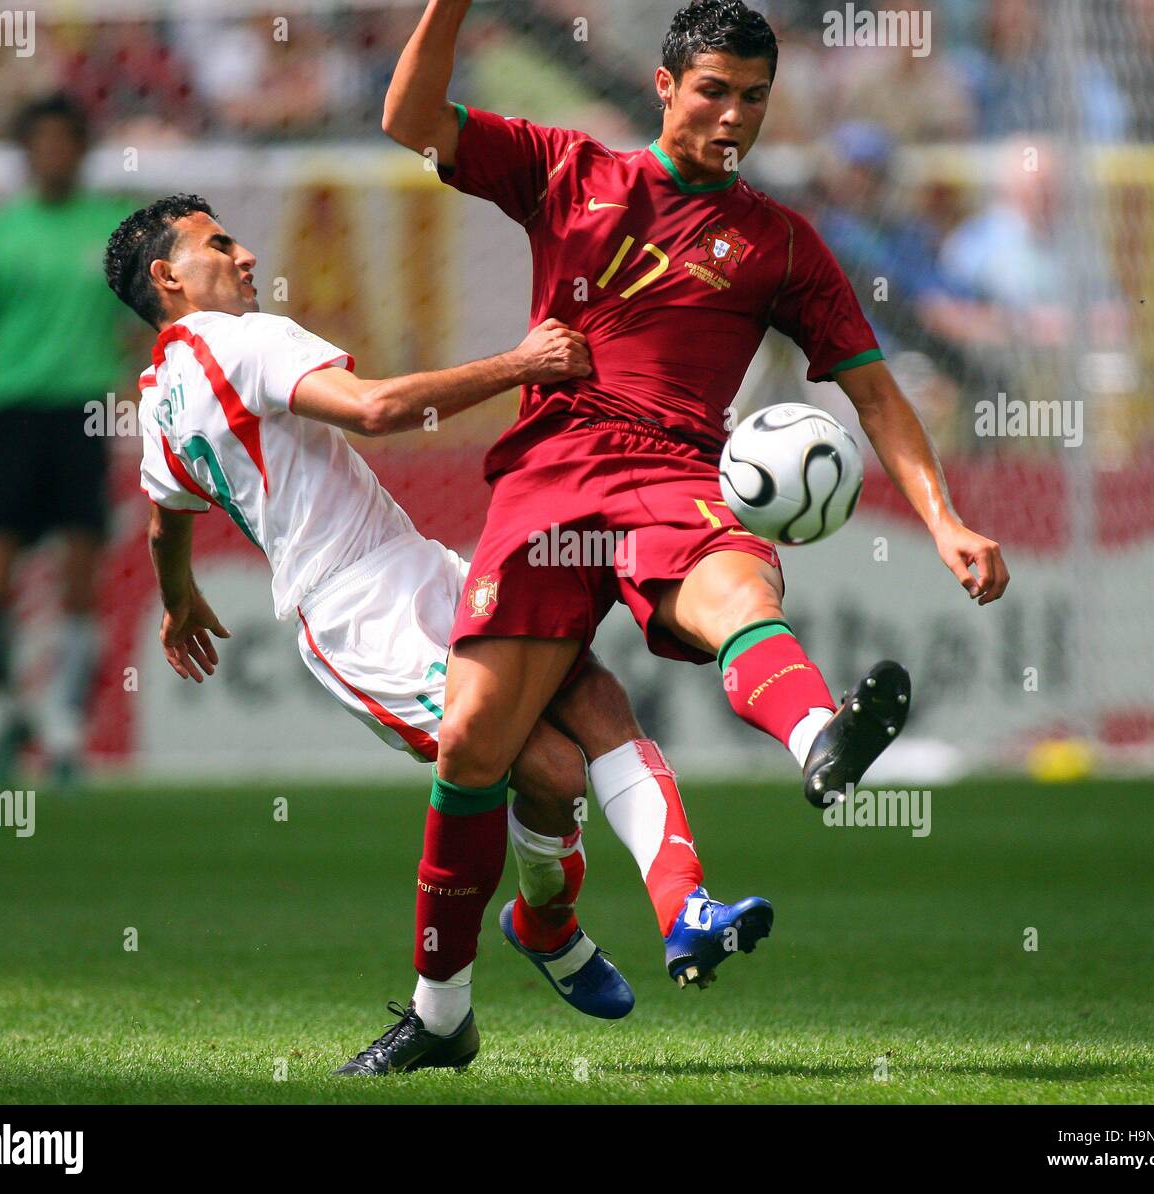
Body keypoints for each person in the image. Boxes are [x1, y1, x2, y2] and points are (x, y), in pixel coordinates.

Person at [380, 0, 1011, 1016]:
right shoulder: (568, 171)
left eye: (754, 98)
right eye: (714, 91)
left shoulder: (780, 243)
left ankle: (818, 739)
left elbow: (875, 391)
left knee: (734, 586)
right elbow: (411, 117)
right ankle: (438, 1015)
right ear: (666, 85)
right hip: (548, 475)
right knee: (472, 749)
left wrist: (943, 520)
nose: (734, 116)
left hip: (674, 474)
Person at [103, 193, 768, 1076]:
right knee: (550, 770)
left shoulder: (157, 396)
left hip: (419, 568)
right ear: (167, 276)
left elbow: (165, 513)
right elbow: (375, 409)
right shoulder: (240, 339)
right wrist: (519, 363)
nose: (248, 254)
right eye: (219, 244)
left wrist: (178, 598)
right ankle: (465, 994)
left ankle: (673, 911)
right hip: (359, 616)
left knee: (593, 698)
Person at [0, 93, 139, 785]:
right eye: (43, 141)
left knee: (79, 577)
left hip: (84, 415)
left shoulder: (113, 229)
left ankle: (63, 724)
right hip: (15, 417)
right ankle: (1, 707)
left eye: (66, 141)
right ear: (27, 152)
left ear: (81, 150)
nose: (54, 153)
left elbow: (138, 329)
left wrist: (139, 405)